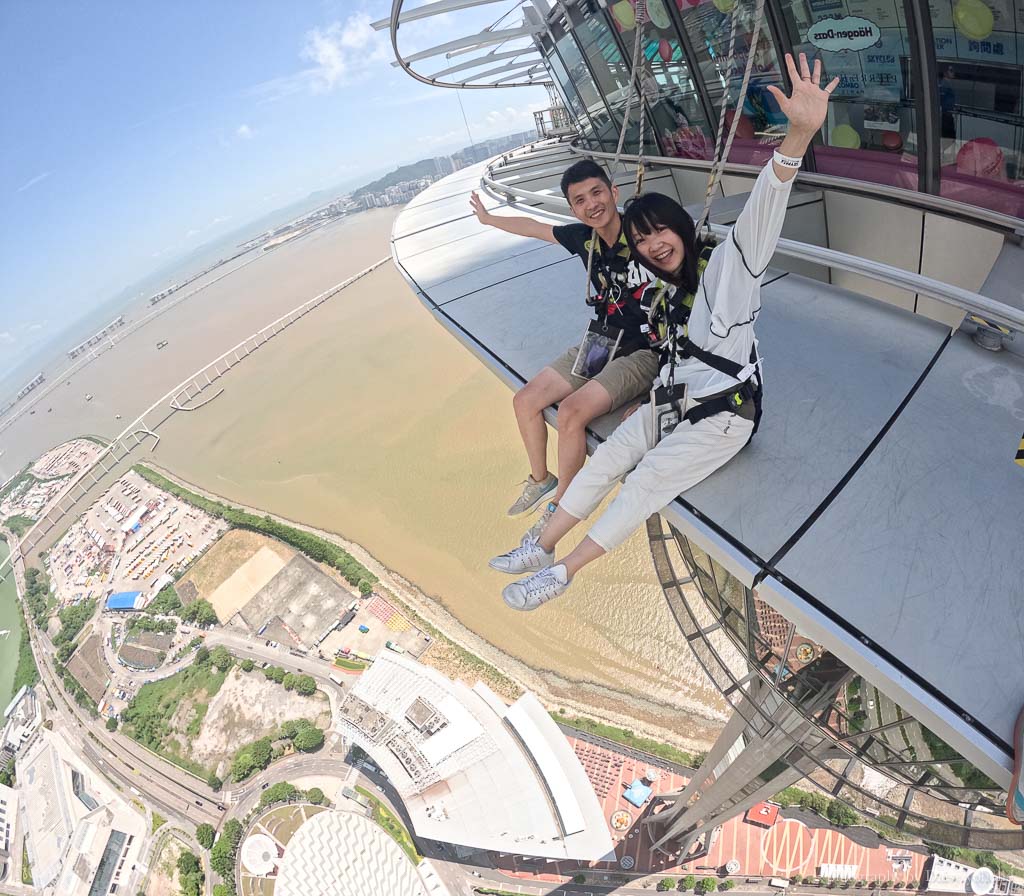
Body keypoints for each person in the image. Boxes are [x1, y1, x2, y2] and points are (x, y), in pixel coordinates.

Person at [490, 53, 839, 610]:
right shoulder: (661, 290)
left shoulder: (728, 269)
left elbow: (763, 211)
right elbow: (672, 354)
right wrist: (650, 400)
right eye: (643, 239)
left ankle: (563, 573)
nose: (654, 245)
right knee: (609, 458)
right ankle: (542, 543)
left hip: (726, 415)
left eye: (661, 232)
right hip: (676, 396)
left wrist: (796, 138)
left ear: (680, 226)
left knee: (645, 479)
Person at [469, 160, 659, 545]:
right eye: (580, 200)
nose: (592, 204)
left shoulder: (643, 237)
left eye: (597, 192)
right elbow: (535, 228)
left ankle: (560, 507)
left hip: (644, 350)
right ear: (572, 209)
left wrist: (659, 395)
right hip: (601, 342)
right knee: (525, 402)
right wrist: (489, 220)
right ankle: (541, 480)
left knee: (572, 413)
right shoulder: (585, 240)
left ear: (613, 193)